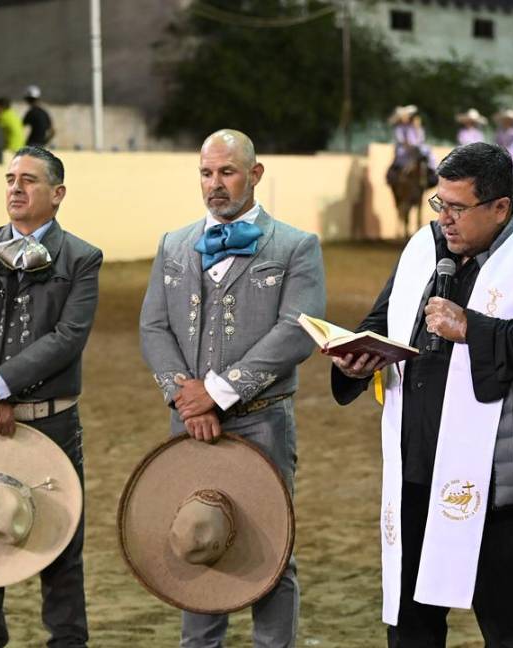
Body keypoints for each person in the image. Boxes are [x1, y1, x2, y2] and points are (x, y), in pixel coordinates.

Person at [330, 142, 513, 647]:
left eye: (457, 207)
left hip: (500, 475)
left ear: (500, 207)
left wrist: (473, 327)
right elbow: (383, 318)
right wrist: (358, 355)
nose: (443, 219)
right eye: (439, 203)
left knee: (506, 622)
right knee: (410, 623)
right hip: (416, 464)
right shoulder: (424, 247)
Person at [139, 128, 325, 648]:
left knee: (272, 551)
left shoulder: (295, 246)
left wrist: (217, 393)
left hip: (262, 420)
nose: (215, 184)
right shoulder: (174, 244)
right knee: (195, 539)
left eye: (227, 172)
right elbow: (153, 327)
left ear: (255, 174)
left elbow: (297, 330)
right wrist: (185, 397)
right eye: (206, 173)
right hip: (188, 422)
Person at [0, 146, 101, 648]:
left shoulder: (82, 258)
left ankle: (67, 641)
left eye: (29, 180)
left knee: (61, 544)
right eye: (11, 178)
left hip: (51, 423)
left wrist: (0, 384)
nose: (15, 187)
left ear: (58, 193)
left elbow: (68, 338)